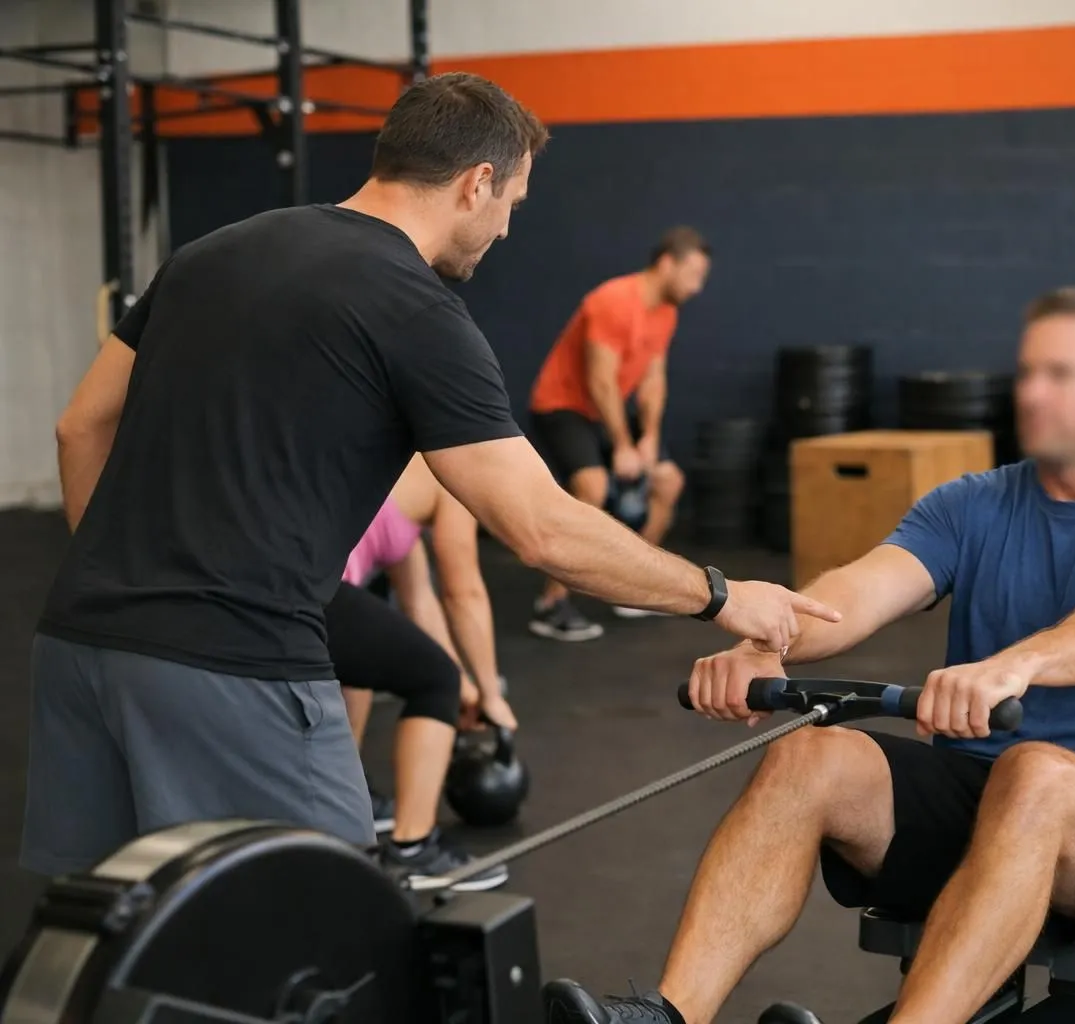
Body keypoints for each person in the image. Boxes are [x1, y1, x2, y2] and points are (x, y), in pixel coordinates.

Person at [24, 72, 837, 877]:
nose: (507, 229)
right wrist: (723, 595)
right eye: (512, 203)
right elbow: (541, 529)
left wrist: (116, 579)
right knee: (312, 932)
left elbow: (80, 425)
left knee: (106, 942)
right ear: (477, 182)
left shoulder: (208, 254)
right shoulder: (415, 309)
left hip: (79, 644)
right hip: (236, 665)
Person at [544, 286, 1075, 1024]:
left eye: (1060, 374)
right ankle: (671, 1015)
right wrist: (767, 642)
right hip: (984, 802)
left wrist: (1017, 666)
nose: (1032, 393)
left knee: (1035, 774)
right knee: (808, 757)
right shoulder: (972, 504)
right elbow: (857, 593)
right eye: (1028, 372)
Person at [329, 454, 516, 890]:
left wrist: (465, 683)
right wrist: (490, 692)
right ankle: (412, 849)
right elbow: (463, 590)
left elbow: (420, 602)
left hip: (310, 586)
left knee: (371, 673)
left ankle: (352, 808)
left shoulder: (401, 483)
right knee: (433, 681)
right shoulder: (456, 473)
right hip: (308, 590)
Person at [524, 227, 712, 641]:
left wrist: (648, 437)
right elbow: (601, 381)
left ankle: (632, 588)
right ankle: (551, 604)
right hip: (563, 406)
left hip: (605, 410)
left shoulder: (666, 311)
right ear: (667, 263)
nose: (697, 288)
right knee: (592, 487)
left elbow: (653, 379)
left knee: (668, 481)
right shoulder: (612, 300)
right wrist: (624, 445)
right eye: (694, 275)